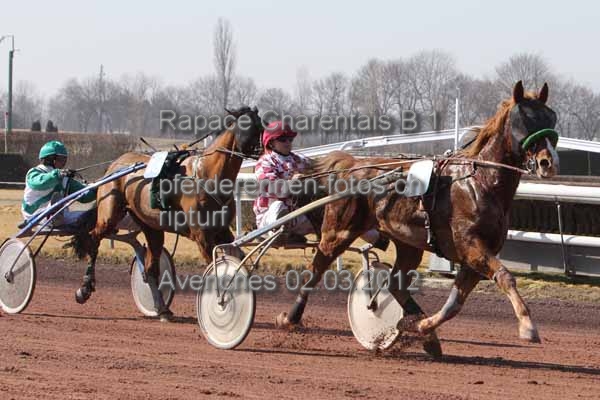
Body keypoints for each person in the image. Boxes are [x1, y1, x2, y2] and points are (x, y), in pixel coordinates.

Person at [253, 121, 388, 250]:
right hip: (270, 218)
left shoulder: (299, 160)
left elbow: (320, 170)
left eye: (290, 139)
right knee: (278, 207)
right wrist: (292, 183)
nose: (288, 143)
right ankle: (278, 234)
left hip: (299, 215)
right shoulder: (265, 162)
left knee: (343, 214)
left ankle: (378, 238)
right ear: (271, 143)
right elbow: (270, 188)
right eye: (283, 139)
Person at [21, 140, 96, 227]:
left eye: (65, 159)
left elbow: (84, 196)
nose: (64, 163)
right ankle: (53, 217)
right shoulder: (34, 172)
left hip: (61, 215)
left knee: (91, 215)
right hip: (35, 215)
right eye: (61, 159)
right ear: (50, 159)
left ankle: (56, 217)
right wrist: (58, 174)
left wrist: (97, 188)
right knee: (57, 201)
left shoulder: (65, 178)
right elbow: (40, 183)